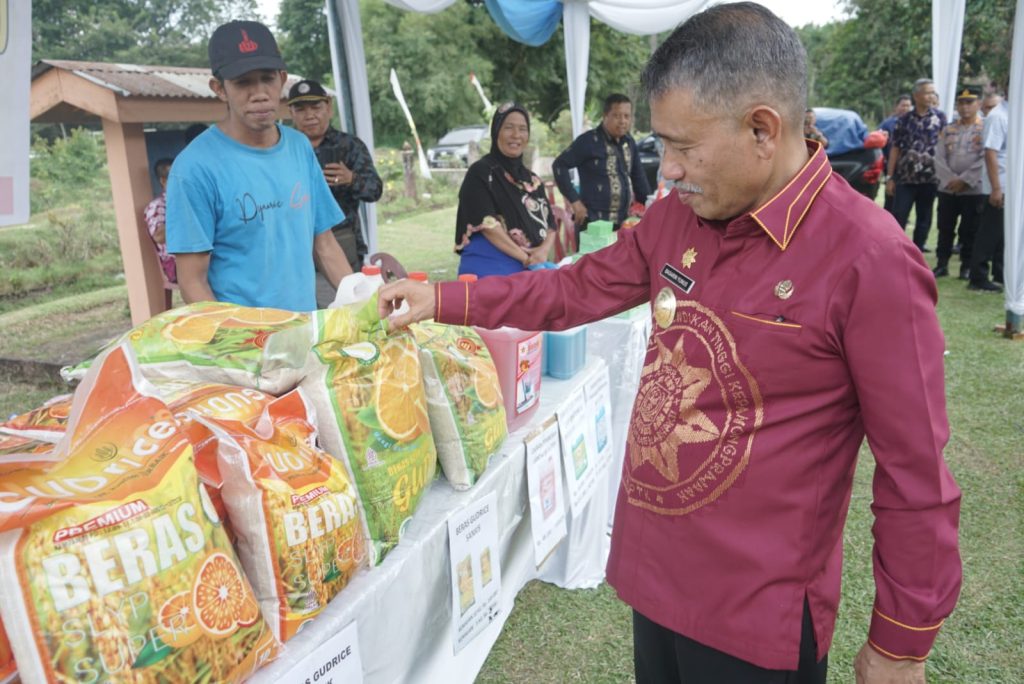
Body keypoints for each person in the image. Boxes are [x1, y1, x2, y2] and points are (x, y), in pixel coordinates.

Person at [379, 4, 961, 682]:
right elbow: (572, 291)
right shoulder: (678, 218)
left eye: (683, 147)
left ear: (763, 129)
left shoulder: (870, 259)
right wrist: (443, 299)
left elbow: (915, 473)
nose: (669, 171)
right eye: (663, 147)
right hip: (656, 579)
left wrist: (899, 644)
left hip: (755, 617)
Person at [166, 20, 351, 311]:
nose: (260, 93)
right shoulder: (194, 169)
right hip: (245, 344)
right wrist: (234, 343)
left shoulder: (299, 147)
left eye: (267, 78)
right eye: (243, 82)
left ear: (282, 78)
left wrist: (363, 301)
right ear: (220, 89)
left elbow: (324, 245)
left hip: (305, 331)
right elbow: (192, 282)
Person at [287, 78, 383, 306]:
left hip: (341, 244)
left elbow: (375, 190)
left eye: (316, 107)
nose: (309, 115)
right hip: (295, 247)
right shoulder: (283, 149)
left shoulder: (349, 146)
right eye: (300, 109)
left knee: (346, 309)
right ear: (290, 112)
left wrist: (352, 179)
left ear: (328, 107)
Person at [454, 102, 556, 278]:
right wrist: (526, 259)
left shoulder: (532, 180)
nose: (516, 135)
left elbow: (551, 226)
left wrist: (542, 252)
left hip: (531, 265)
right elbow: (488, 225)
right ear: (496, 131)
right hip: (490, 267)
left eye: (523, 129)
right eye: (509, 127)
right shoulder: (481, 173)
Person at [552, 93, 651, 230]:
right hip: (592, 224)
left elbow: (639, 178)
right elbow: (559, 166)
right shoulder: (588, 141)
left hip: (624, 224)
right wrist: (575, 201)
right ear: (605, 116)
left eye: (626, 116)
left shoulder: (629, 142)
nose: (622, 121)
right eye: (617, 116)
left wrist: (650, 206)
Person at [887, 78, 947, 251]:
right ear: (917, 95)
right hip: (905, 178)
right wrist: (890, 177)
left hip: (930, 179)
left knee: (924, 218)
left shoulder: (940, 118)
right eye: (927, 92)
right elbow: (895, 149)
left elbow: (944, 146)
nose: (931, 96)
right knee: (899, 215)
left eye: (933, 93)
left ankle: (918, 249)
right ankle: (895, 249)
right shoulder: (904, 120)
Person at [932, 86, 986, 279]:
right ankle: (942, 264)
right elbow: (938, 156)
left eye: (969, 102)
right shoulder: (948, 129)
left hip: (973, 189)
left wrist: (964, 180)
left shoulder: (985, 128)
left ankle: (966, 266)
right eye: (961, 103)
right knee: (945, 227)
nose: (965, 107)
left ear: (978, 104)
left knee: (970, 229)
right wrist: (950, 180)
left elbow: (984, 158)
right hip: (948, 189)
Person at [967, 90, 1008, 292]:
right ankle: (978, 276)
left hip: (1010, 186)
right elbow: (990, 152)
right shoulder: (998, 116)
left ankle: (1000, 273)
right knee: (989, 233)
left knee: (1003, 235)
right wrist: (997, 188)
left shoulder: (1013, 114)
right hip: (998, 185)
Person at [144, 158, 177, 285]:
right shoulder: (158, 206)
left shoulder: (188, 201)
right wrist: (183, 215)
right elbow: (159, 236)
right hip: (175, 264)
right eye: (175, 177)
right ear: (163, 181)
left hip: (197, 256)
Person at [878, 94, 913, 214]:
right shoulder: (887, 124)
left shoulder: (913, 123)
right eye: (903, 105)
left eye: (908, 106)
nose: (905, 108)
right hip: (891, 166)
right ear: (896, 107)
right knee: (890, 197)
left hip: (907, 169)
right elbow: (880, 144)